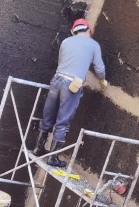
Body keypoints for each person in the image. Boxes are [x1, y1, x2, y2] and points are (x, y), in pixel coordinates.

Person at [32, 18, 108, 166]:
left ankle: (38, 149)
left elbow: (62, 61)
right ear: (88, 31)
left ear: (74, 31)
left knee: (48, 116)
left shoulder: (66, 42)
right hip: (72, 85)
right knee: (62, 122)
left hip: (56, 80)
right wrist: (102, 80)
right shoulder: (93, 45)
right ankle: (52, 158)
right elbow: (99, 68)